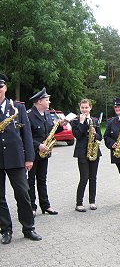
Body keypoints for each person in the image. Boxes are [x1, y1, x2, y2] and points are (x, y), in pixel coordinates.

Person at [0, 73, 42, 244]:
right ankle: (5, 229)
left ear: (5, 88)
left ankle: (28, 228)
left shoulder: (17, 107)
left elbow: (27, 134)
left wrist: (29, 158)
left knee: (23, 193)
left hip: (16, 158)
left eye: (0, 86)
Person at [27, 87, 66, 216]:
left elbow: (52, 131)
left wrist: (60, 126)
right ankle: (32, 207)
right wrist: (38, 145)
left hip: (45, 152)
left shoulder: (48, 114)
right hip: (33, 153)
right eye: (47, 100)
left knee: (42, 179)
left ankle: (46, 205)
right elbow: (25, 136)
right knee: (31, 181)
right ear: (39, 101)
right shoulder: (29, 115)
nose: (49, 102)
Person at [71, 99, 102, 212]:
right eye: (82, 107)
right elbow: (77, 135)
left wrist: (96, 134)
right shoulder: (75, 121)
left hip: (94, 151)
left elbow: (100, 137)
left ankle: (92, 201)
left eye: (86, 107)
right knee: (84, 177)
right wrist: (81, 122)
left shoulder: (95, 120)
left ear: (90, 108)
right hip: (82, 152)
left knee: (93, 178)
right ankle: (79, 203)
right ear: (80, 108)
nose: (84, 110)